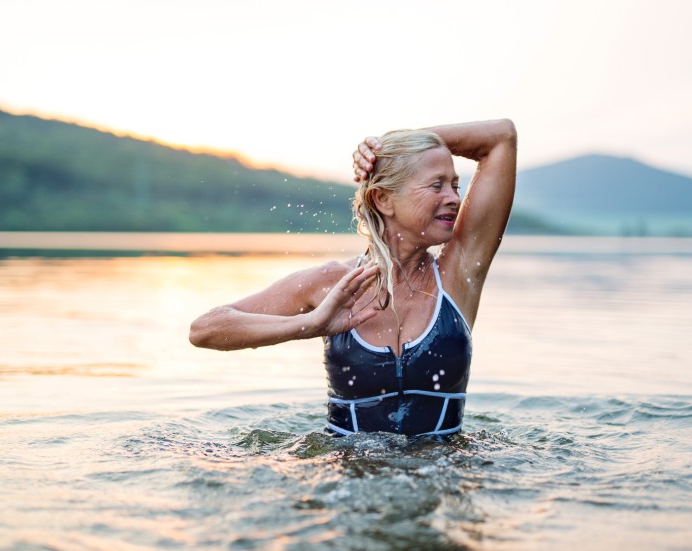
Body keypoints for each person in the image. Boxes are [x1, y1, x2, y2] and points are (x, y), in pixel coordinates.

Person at [190, 120, 517, 437]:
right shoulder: (330, 282)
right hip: (346, 476)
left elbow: (501, 137)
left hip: (441, 480)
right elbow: (205, 329)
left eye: (455, 185)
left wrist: (395, 144)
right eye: (437, 185)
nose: (454, 199)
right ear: (383, 200)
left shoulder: (458, 273)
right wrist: (313, 325)